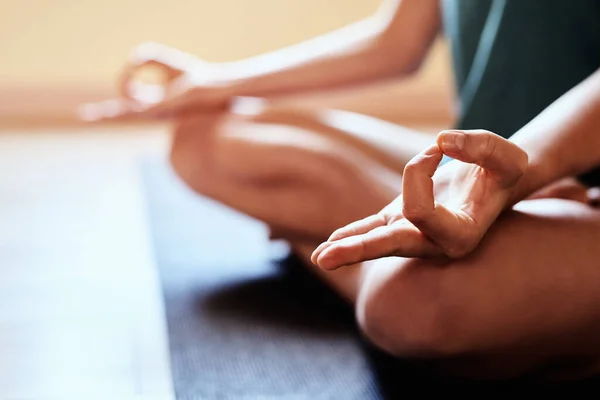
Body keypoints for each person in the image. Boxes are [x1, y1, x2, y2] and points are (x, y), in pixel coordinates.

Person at [83, 0, 600, 379]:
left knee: (406, 304)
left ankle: (332, 246)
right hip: (482, 171)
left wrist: (530, 170)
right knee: (202, 140)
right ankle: (390, 246)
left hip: (568, 186)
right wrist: (215, 81)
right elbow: (395, 42)